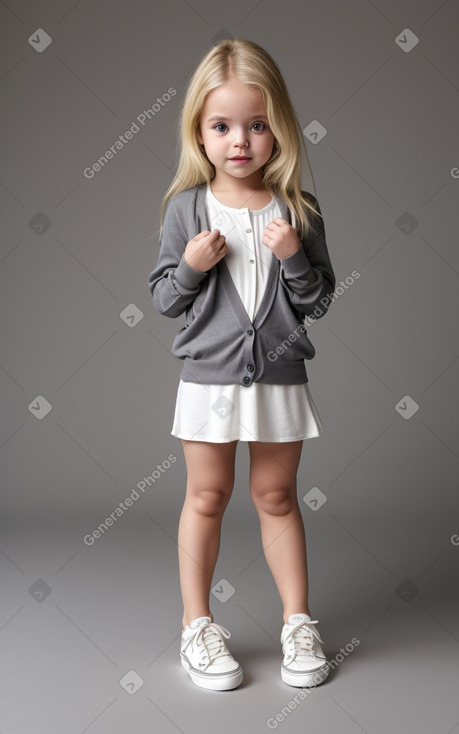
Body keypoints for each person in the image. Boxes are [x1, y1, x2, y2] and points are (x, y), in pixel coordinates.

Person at [148, 37, 336, 692]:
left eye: (257, 125)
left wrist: (293, 255)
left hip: (279, 377)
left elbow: (319, 300)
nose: (240, 141)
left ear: (277, 128)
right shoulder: (185, 209)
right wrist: (193, 267)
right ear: (198, 133)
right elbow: (164, 299)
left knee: (276, 496)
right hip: (208, 381)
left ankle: (297, 622)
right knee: (206, 495)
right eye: (222, 125)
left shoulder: (299, 210)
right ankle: (196, 623)